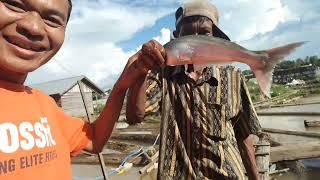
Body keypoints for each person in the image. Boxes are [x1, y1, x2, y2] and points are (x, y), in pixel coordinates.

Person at [0, 0, 164, 179]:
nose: (33, 27)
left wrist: (122, 85)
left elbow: (94, 140)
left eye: (52, 20)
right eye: (13, 5)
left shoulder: (45, 105)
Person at [126, 0, 262, 179]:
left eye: (204, 33)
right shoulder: (162, 74)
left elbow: (243, 135)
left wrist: (256, 177)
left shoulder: (233, 76)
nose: (196, 41)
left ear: (214, 37)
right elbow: (134, 116)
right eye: (188, 34)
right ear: (177, 37)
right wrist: (142, 69)